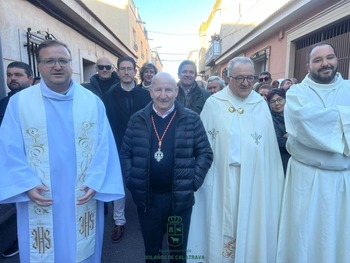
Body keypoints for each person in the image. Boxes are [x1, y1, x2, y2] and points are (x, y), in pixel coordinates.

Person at [0, 39, 125, 262]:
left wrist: (96, 180)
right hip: (39, 193)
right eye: (49, 61)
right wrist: (26, 183)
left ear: (71, 65)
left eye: (63, 60)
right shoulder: (19, 103)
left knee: (82, 250)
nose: (57, 66)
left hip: (82, 193)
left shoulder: (92, 102)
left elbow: (104, 146)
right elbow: (8, 147)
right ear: (39, 66)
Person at [187, 57, 284, 263]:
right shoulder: (214, 104)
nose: (246, 82)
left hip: (253, 180)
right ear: (228, 77)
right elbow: (202, 146)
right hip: (220, 179)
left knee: (251, 222)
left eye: (250, 77)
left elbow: (269, 150)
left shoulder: (260, 104)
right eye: (240, 77)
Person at [120, 72, 213, 262]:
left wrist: (192, 183)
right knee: (152, 253)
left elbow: (205, 153)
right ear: (150, 92)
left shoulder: (191, 119)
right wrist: (132, 182)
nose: (164, 95)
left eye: (168, 90)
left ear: (176, 91)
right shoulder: (137, 119)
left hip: (178, 201)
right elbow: (125, 154)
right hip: (148, 200)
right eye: (158, 89)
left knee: (178, 253)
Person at [277, 42, 350, 262]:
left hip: (343, 180)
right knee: (304, 238)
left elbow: (318, 120)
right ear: (308, 65)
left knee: (340, 236)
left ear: (337, 60)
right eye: (318, 60)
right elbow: (305, 122)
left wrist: (325, 116)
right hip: (307, 179)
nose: (325, 63)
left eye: (330, 57)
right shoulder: (298, 92)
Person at [103, 56, 152, 243]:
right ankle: (119, 222)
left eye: (129, 68)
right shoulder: (108, 95)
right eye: (122, 68)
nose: (126, 72)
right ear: (118, 71)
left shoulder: (145, 95)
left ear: (134, 71)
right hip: (117, 145)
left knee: (143, 184)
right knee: (119, 186)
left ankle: (147, 219)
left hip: (141, 146)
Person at [0, 61, 33, 258]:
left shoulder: (38, 103)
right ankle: (21, 238)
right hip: (12, 163)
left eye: (18, 75)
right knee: (20, 206)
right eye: (9, 75)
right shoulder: (4, 103)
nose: (12, 78)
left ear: (30, 78)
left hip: (35, 164)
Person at [266, 88, 290, 174]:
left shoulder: (294, 115)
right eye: (272, 101)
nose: (277, 103)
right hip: (281, 160)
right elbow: (278, 141)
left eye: (279, 99)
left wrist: (291, 136)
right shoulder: (270, 120)